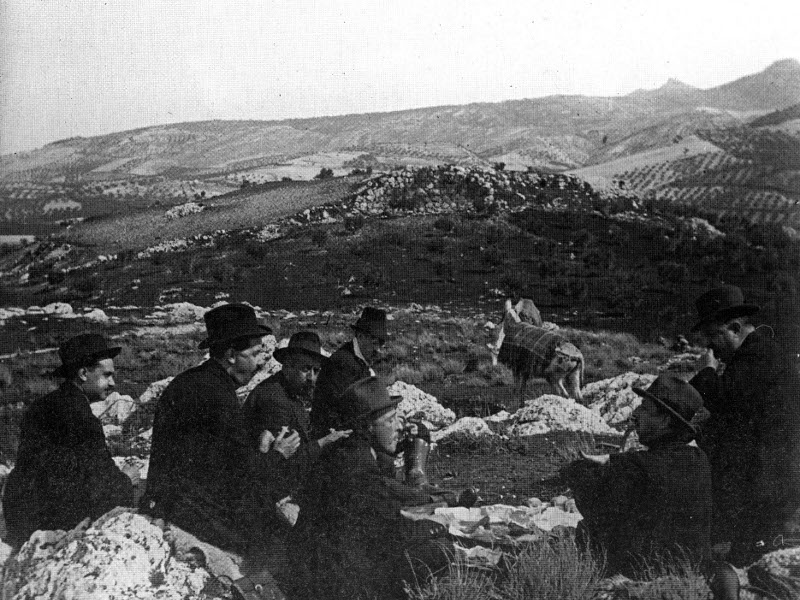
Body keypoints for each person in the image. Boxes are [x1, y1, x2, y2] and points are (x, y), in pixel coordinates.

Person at [140, 303, 300, 598]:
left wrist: (258, 441)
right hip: (191, 508)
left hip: (172, 498)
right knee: (281, 537)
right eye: (252, 355)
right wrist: (278, 454)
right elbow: (239, 470)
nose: (258, 363)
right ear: (230, 355)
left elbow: (215, 450)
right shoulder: (217, 393)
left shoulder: (194, 382)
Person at [290, 376, 454, 600]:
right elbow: (392, 533)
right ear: (365, 427)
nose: (399, 426)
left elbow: (381, 507)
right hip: (331, 581)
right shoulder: (358, 467)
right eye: (390, 420)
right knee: (440, 549)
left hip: (316, 566)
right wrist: (439, 525)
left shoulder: (348, 452)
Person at [688, 285, 800, 568]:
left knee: (751, 558)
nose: (710, 348)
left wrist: (707, 372)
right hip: (768, 472)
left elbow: (726, 403)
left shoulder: (757, 356)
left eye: (713, 337)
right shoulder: (758, 353)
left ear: (734, 328)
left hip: (766, 478)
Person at [565, 374, 712, 578]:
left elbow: (597, 510)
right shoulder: (698, 458)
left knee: (587, 531)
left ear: (664, 420)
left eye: (645, 408)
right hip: (692, 570)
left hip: (646, 574)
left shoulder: (637, 468)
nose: (636, 413)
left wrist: (583, 471)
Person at [3, 334, 136, 547]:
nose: (113, 383)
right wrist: (127, 480)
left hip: (20, 515)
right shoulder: (82, 418)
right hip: (55, 522)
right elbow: (102, 483)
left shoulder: (42, 405)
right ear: (83, 373)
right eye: (107, 375)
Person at [242, 331, 351, 492]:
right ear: (288, 365)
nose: (312, 378)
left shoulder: (288, 389)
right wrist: (324, 442)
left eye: (316, 370)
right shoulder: (274, 399)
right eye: (306, 369)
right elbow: (288, 460)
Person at [311, 306, 386, 437]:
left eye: (380, 344)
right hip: (332, 436)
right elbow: (348, 411)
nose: (378, 350)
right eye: (374, 343)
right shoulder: (343, 363)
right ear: (361, 336)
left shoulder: (359, 359)